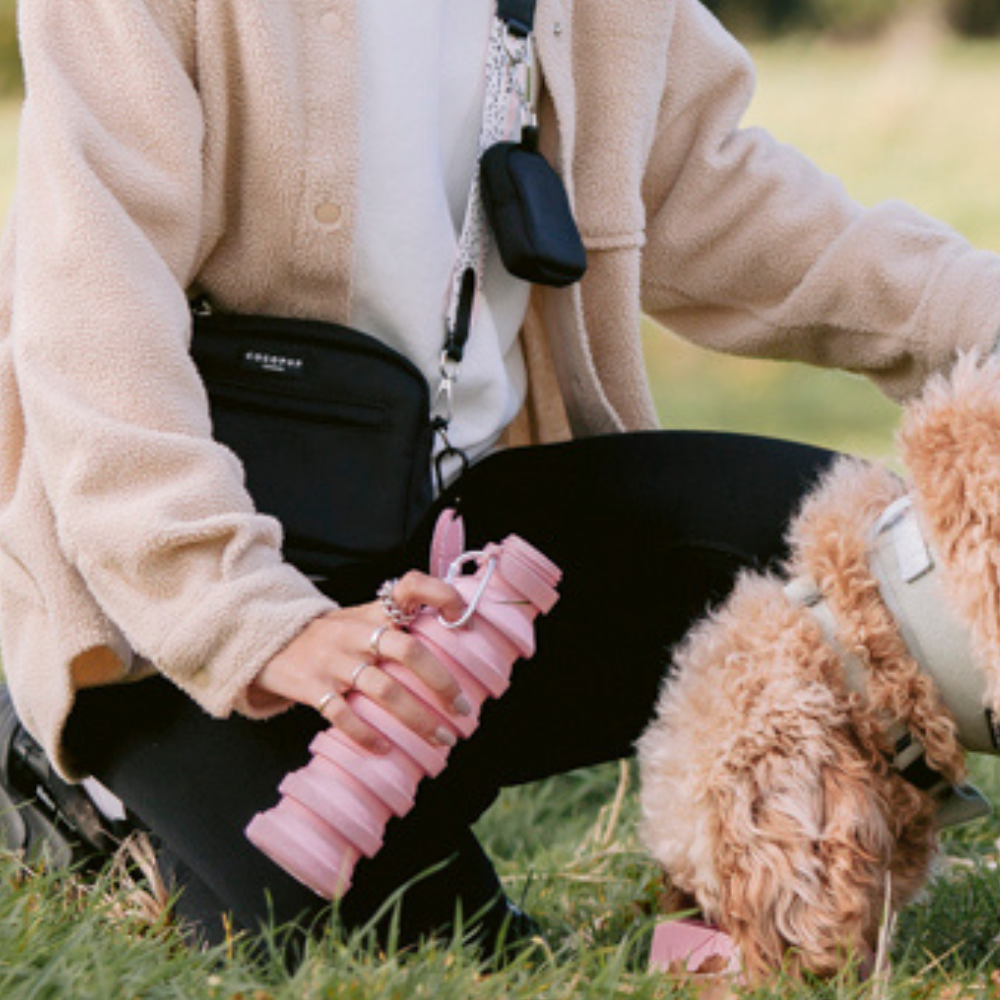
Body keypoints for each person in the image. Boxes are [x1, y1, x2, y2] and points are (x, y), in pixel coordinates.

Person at [1, 0, 999, 963]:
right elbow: (93, 326)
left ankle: (701, 857)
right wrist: (262, 627)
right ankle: (80, 787)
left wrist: (983, 320)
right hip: (175, 598)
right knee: (415, 933)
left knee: (862, 565)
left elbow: (715, 188)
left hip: (469, 561)